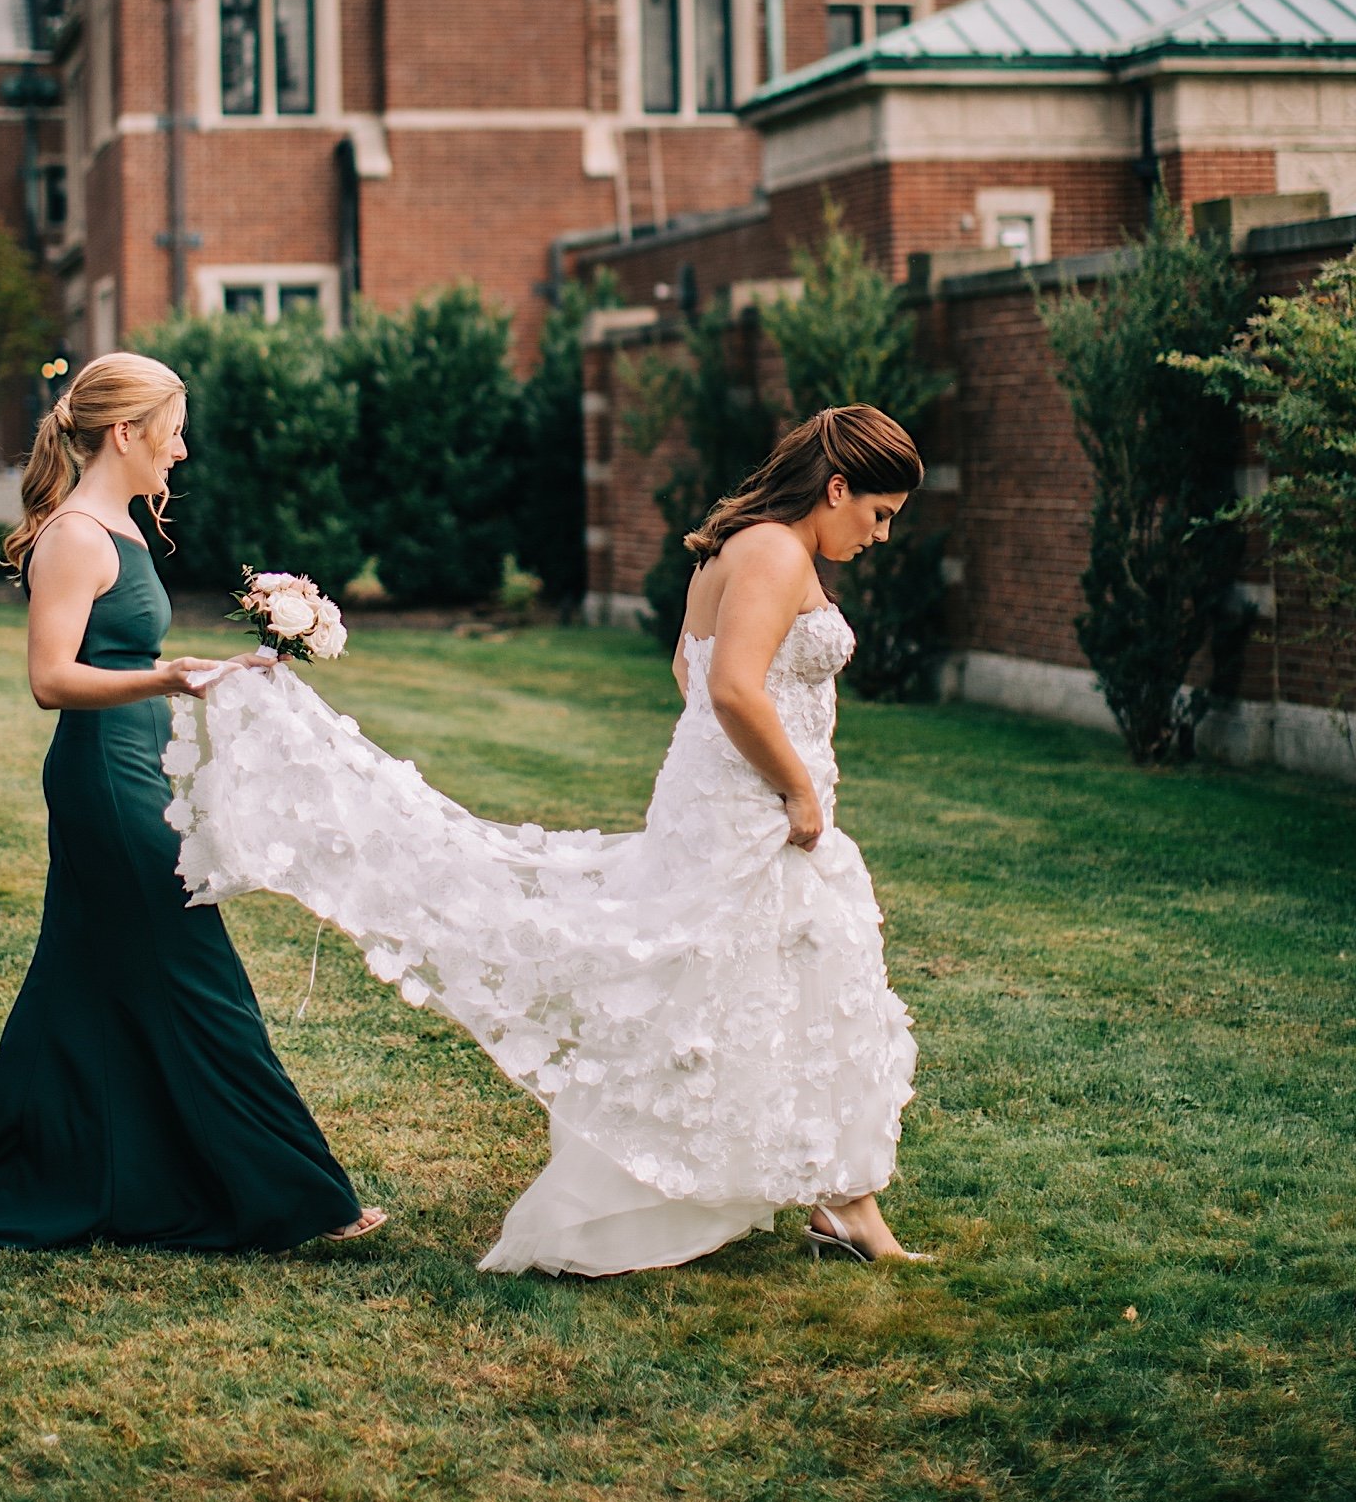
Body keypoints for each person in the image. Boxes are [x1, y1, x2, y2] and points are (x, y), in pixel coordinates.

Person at [167, 404, 925, 1277]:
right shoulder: (774, 551)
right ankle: (711, 1194)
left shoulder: (743, 545)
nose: (878, 535)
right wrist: (793, 782)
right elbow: (731, 691)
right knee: (739, 984)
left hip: (729, 798)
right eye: (877, 514)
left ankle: (846, 1203)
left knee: (799, 978)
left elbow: (689, 666)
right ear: (837, 488)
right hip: (756, 805)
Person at [0, 351, 382, 1255]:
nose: (182, 451)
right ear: (125, 433)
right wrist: (165, 677)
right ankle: (298, 1194)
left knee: (83, 983)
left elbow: (120, 656)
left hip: (134, 764)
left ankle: (60, 1162)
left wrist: (215, 670)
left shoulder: (117, 523)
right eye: (173, 430)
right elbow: (50, 679)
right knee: (197, 972)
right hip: (103, 781)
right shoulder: (76, 535)